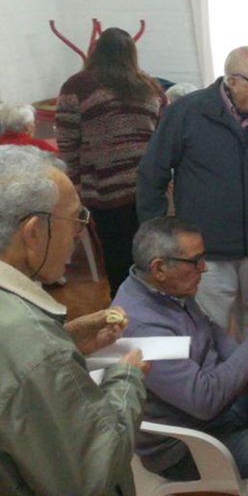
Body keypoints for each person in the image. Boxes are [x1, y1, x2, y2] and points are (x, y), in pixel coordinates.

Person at [115, 216, 248, 496]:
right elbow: (204, 401)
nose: (204, 268)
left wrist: (243, 360)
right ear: (160, 268)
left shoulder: (168, 289)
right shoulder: (142, 328)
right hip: (189, 443)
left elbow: (210, 330)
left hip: (225, 406)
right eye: (196, 261)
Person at [0, 145, 148, 496]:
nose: (80, 232)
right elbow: (90, 473)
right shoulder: (31, 342)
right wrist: (128, 376)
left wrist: (66, 339)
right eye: (76, 218)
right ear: (34, 233)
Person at [138, 46, 248, 339]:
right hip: (206, 249)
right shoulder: (187, 113)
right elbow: (152, 174)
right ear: (233, 82)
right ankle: (221, 383)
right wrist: (156, 236)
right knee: (212, 329)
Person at [57, 27, 167, 297]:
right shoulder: (151, 87)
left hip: (104, 189)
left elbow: (68, 142)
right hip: (148, 185)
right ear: (131, 54)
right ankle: (160, 312)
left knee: (117, 257)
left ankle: (127, 314)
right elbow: (164, 136)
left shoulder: (76, 86)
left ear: (97, 51)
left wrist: (77, 184)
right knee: (154, 254)